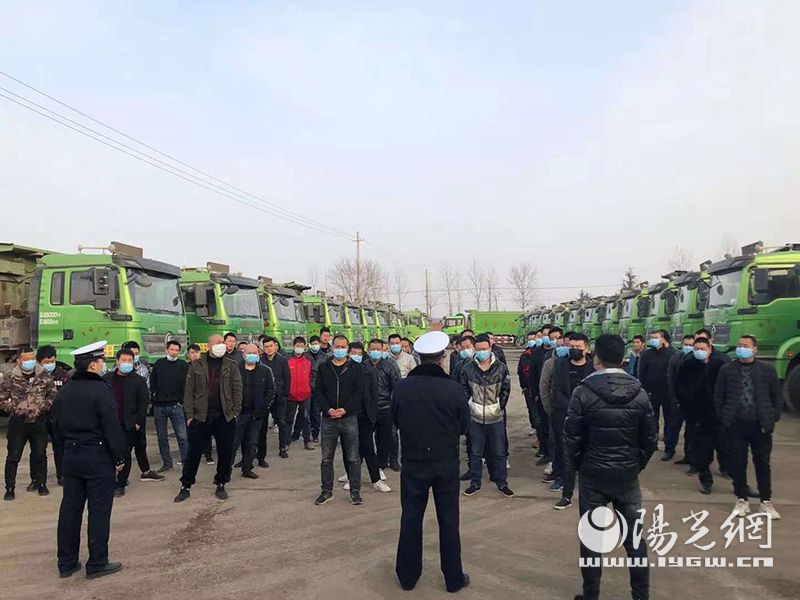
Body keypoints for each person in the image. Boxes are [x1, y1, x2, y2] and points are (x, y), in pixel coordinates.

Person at [564, 334, 657, 600]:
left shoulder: (583, 392)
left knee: (592, 539)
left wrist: (579, 466)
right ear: (623, 357)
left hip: (593, 474)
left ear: (596, 358)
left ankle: (591, 594)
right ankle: (641, 595)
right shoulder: (639, 392)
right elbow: (650, 438)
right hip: (627, 476)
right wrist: (635, 465)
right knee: (635, 539)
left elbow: (571, 438)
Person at [391, 331, 470, 593]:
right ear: (442, 357)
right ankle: (453, 579)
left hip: (413, 462)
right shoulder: (454, 389)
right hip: (445, 462)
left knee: (411, 518)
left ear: (419, 358)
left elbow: (395, 421)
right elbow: (463, 426)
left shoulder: (402, 388)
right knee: (448, 520)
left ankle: (407, 576)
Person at [53, 341, 125, 579]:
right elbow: (111, 426)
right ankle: (97, 562)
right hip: (97, 456)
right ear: (93, 365)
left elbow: (55, 427)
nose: (104, 364)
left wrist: (64, 454)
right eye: (101, 360)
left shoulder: (65, 391)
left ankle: (66, 562)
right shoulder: (101, 391)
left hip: (71, 456)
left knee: (70, 510)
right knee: (99, 510)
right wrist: (119, 456)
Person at [714, 336, 782, 520]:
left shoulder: (767, 370)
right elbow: (719, 395)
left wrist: (773, 415)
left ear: (755, 349)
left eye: (745, 346)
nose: (741, 348)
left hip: (761, 425)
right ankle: (741, 499)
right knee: (738, 462)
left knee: (762, 462)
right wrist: (724, 417)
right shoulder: (727, 369)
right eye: (739, 345)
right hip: (735, 424)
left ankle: (765, 501)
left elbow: (776, 395)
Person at [174, 334, 242, 502]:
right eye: (218, 342)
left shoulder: (231, 365)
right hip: (200, 416)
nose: (222, 345)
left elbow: (237, 388)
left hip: (224, 416)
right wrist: (190, 415)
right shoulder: (196, 365)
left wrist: (235, 412)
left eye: (223, 342)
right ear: (209, 346)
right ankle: (186, 485)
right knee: (194, 453)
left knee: (225, 452)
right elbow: (188, 392)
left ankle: (221, 483)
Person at [104, 348, 164, 496]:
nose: (126, 363)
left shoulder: (138, 381)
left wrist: (138, 422)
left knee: (125, 453)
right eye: (123, 360)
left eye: (129, 361)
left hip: (129, 424)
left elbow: (144, 403)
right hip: (110, 423)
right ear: (117, 361)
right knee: (109, 452)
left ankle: (121, 483)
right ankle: (109, 479)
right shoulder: (107, 379)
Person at [459, 334, 513, 498]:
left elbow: (506, 390)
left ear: (490, 348)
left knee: (499, 452)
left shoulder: (501, 368)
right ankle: (475, 482)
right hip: (475, 417)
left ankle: (502, 482)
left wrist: (498, 407)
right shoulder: (468, 368)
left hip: (495, 417)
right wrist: (471, 406)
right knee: (475, 452)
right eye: (479, 349)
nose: (482, 352)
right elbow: (464, 390)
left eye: (485, 349)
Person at [312, 335, 363, 506]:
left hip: (349, 418)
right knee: (326, 459)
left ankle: (355, 492)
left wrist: (345, 410)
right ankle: (326, 491)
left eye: (343, 346)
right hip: (328, 419)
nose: (340, 349)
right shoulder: (324, 367)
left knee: (353, 458)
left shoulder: (356, 368)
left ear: (347, 348)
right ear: (332, 347)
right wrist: (328, 409)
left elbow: (358, 393)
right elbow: (318, 391)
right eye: (337, 346)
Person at [1, 347, 57, 499]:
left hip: (39, 421)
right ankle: (10, 488)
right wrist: (16, 408)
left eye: (32, 358)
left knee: (40, 454)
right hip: (18, 422)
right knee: (13, 456)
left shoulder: (44, 376)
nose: (30, 361)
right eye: (26, 359)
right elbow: (2, 398)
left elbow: (52, 395)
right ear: (19, 360)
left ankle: (41, 483)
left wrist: (43, 407)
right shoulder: (10, 377)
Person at [550, 333, 595, 508]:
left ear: (586, 349)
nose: (575, 350)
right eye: (572, 347)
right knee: (563, 450)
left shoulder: (593, 367)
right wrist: (571, 407)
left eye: (578, 347)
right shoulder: (560, 364)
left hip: (587, 416)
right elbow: (556, 390)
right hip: (565, 414)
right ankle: (562, 483)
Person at [674, 337, 724, 494]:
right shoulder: (687, 366)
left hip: (717, 415)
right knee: (701, 450)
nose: (699, 352)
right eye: (696, 349)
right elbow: (679, 388)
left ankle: (733, 476)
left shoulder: (719, 366)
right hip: (696, 416)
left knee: (725, 447)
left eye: (702, 349)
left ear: (709, 349)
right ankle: (706, 480)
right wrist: (686, 405)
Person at [341, 342, 391, 492]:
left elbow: (373, 394)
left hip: (364, 416)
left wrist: (372, 414)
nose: (356, 356)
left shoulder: (367, 370)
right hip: (346, 415)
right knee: (348, 448)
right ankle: (351, 477)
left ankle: (376, 479)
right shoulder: (342, 370)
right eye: (353, 353)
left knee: (367, 447)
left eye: (359, 353)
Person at [232, 344, 274, 479]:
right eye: (249, 353)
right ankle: (224, 470)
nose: (252, 355)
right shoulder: (235, 370)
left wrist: (264, 406)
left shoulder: (265, 371)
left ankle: (247, 468)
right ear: (243, 354)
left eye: (254, 353)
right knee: (233, 443)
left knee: (252, 443)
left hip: (257, 414)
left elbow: (270, 390)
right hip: (239, 414)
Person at [637, 329, 678, 460]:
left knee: (669, 421)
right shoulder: (646, 354)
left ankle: (669, 448)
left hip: (668, 393)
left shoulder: (672, 354)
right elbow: (642, 374)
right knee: (651, 420)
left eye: (656, 337)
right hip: (651, 392)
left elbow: (675, 375)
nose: (653, 339)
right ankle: (652, 444)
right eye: (652, 337)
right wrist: (643, 390)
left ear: (663, 339)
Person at [150, 340, 189, 473]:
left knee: (182, 436)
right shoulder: (159, 363)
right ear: (166, 350)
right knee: (162, 437)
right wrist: (153, 398)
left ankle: (186, 462)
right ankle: (167, 463)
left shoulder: (183, 365)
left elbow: (186, 385)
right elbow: (153, 382)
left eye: (176, 350)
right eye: (171, 349)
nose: (174, 352)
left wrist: (180, 401)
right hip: (159, 405)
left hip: (176, 406)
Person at [364, 339, 401, 472]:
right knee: (364, 439)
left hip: (385, 408)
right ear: (368, 350)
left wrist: (393, 405)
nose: (375, 351)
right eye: (373, 349)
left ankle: (382, 465)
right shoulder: (363, 366)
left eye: (378, 349)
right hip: (367, 409)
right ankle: (360, 465)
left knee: (385, 439)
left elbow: (396, 387)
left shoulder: (390, 366)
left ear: (383, 350)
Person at [37, 345, 71, 486]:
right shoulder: (35, 375)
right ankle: (38, 479)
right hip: (40, 417)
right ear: (40, 362)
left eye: (52, 361)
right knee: (39, 450)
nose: (50, 364)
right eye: (46, 362)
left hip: (58, 417)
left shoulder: (63, 375)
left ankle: (61, 475)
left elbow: (69, 396)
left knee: (60, 448)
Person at [259, 336, 291, 460]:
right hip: (265, 398)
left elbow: (287, 378)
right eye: (266, 347)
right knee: (262, 425)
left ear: (275, 346)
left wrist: (284, 394)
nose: (269, 349)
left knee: (282, 422)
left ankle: (283, 447)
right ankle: (261, 452)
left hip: (280, 397)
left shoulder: (282, 360)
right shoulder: (261, 360)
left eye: (271, 346)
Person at [667, 334, 695, 466]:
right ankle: (669, 450)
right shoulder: (676, 358)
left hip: (692, 402)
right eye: (686, 344)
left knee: (690, 432)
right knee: (673, 427)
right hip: (677, 400)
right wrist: (674, 397)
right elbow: (670, 378)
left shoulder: (697, 360)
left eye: (690, 345)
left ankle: (689, 456)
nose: (688, 347)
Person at [187, 344, 215, 464]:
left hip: (204, 404)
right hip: (190, 404)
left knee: (206, 431)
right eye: (192, 353)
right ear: (188, 355)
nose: (195, 355)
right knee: (192, 432)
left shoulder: (205, 366)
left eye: (196, 352)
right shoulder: (187, 367)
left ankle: (208, 454)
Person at [287, 337, 315, 450]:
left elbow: (313, 374)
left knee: (306, 418)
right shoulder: (287, 359)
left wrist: (310, 387)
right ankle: (286, 442)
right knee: (288, 419)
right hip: (290, 395)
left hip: (305, 394)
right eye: (297, 346)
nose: (299, 348)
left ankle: (307, 441)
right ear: (293, 346)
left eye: (302, 346)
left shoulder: (309, 359)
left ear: (305, 347)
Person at [307, 334, 327, 443]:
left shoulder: (324, 357)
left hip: (318, 388)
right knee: (306, 413)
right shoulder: (305, 356)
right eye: (313, 344)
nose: (315, 345)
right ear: (309, 345)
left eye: (316, 343)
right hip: (307, 387)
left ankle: (315, 434)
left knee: (316, 412)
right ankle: (306, 433)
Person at [517, 331, 538, 436]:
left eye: (533, 339)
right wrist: (523, 386)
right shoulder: (525, 355)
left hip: (537, 388)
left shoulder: (540, 354)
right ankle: (534, 426)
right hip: (528, 387)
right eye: (529, 339)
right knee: (531, 408)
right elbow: (520, 371)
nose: (531, 341)